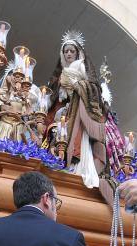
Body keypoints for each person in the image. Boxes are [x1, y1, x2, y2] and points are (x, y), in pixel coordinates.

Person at [47, 30, 107, 190]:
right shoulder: (60, 74)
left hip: (80, 113)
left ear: (78, 53)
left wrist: (76, 86)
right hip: (65, 113)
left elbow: (94, 90)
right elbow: (54, 97)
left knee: (78, 138)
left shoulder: (82, 67)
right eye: (65, 51)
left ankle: (78, 165)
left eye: (71, 51)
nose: (68, 54)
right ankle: (61, 160)